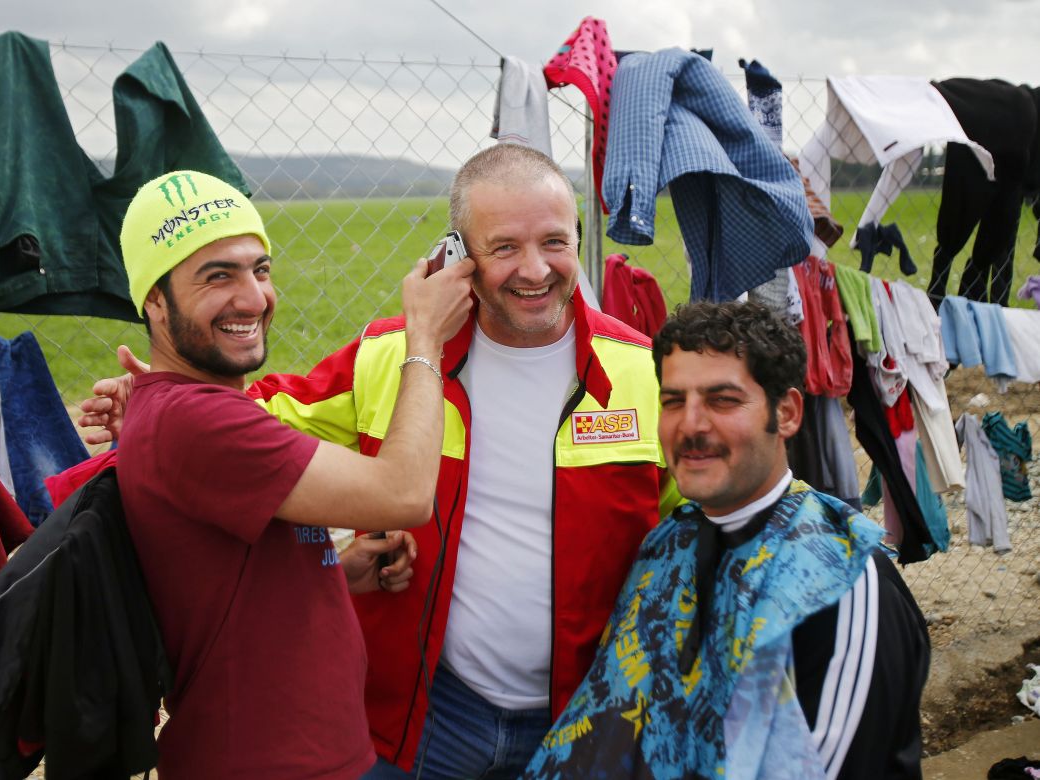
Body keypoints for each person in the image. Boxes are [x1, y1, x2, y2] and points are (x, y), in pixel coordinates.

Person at [80, 145, 673, 779]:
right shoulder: (389, 357)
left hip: (583, 720)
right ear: (456, 254)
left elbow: (699, 527)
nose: (535, 269)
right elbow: (259, 413)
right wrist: (155, 398)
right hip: (429, 717)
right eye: (504, 248)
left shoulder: (646, 372)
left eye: (555, 242)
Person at [110, 169, 474, 778]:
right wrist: (424, 338)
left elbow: (226, 575)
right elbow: (405, 493)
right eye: (217, 276)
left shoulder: (195, 409)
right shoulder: (198, 420)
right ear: (154, 300)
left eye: (260, 269)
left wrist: (332, 572)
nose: (253, 298)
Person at [523, 301, 931, 780]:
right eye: (674, 400)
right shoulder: (667, 547)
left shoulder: (843, 580)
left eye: (722, 400)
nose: (691, 425)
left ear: (787, 413)